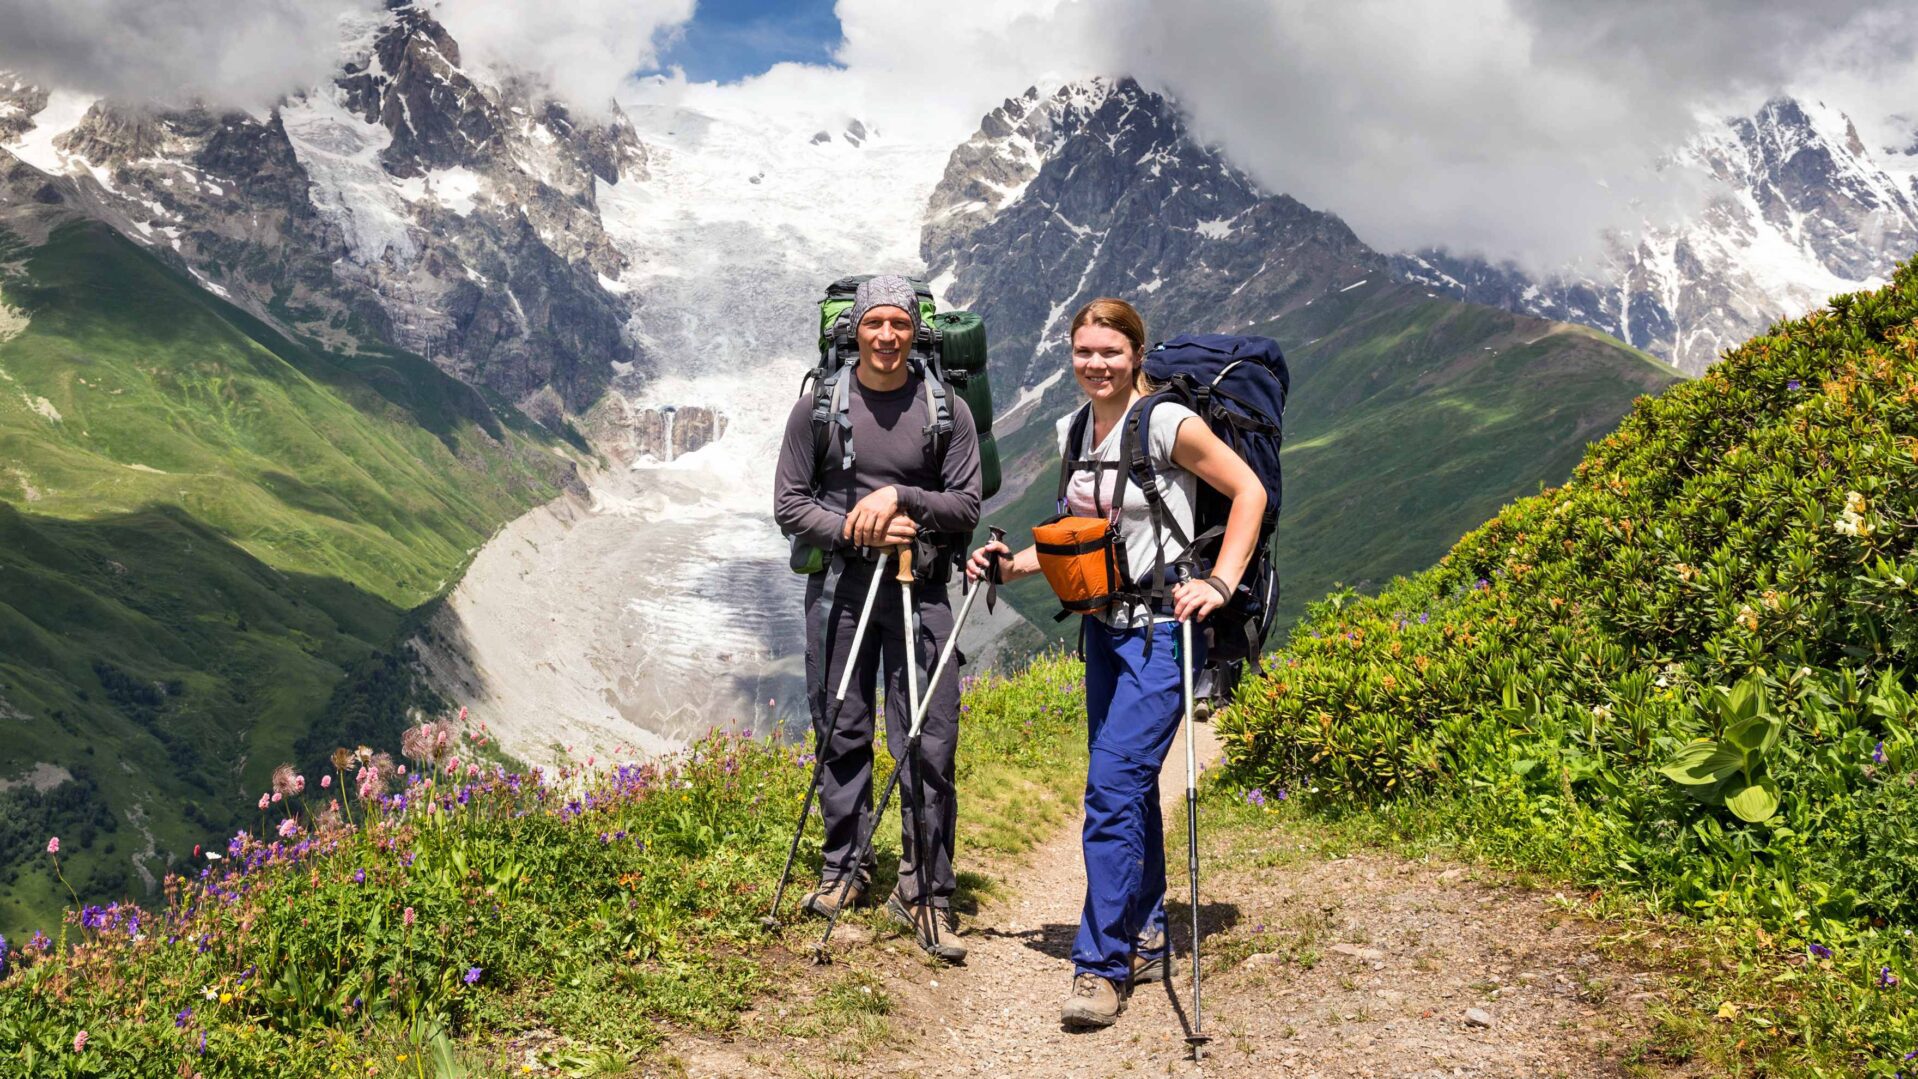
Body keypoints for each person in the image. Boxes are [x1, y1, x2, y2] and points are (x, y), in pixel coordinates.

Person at [967, 298, 1266, 1026]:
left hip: (1162, 634)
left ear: (1136, 353)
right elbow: (1085, 539)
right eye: (1083, 351)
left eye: (1109, 351)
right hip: (1103, 631)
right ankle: (1148, 928)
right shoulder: (1076, 428)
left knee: (1109, 790)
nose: (1094, 363)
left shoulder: (1166, 422)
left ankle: (1100, 966)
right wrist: (1007, 568)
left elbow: (1247, 491)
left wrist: (1220, 581)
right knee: (1127, 791)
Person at [773, 274, 981, 963]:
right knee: (843, 728)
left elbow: (966, 506)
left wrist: (901, 497)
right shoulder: (818, 410)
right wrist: (858, 531)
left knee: (929, 738)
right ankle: (846, 869)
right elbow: (791, 505)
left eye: (898, 323)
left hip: (918, 589)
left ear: (915, 330)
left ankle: (927, 891)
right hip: (840, 585)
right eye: (874, 323)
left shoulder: (945, 409)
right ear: (853, 330)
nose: (887, 336)